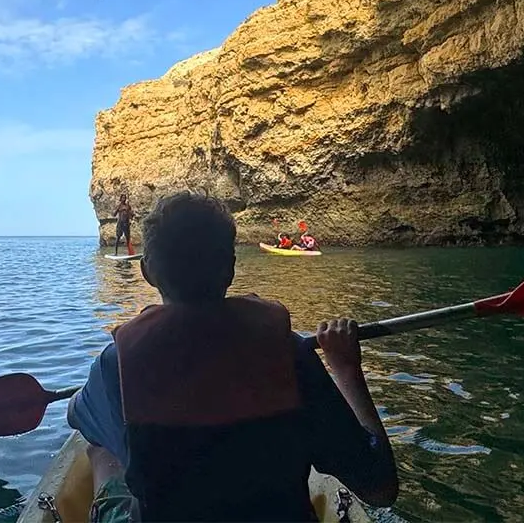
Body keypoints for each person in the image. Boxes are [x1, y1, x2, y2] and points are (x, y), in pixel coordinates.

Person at [68, 191, 398, 522]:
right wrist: (346, 369)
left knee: (99, 450)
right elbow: (380, 488)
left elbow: (76, 417)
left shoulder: (117, 365)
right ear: (230, 268)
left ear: (147, 272)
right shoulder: (290, 354)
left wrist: (85, 403)